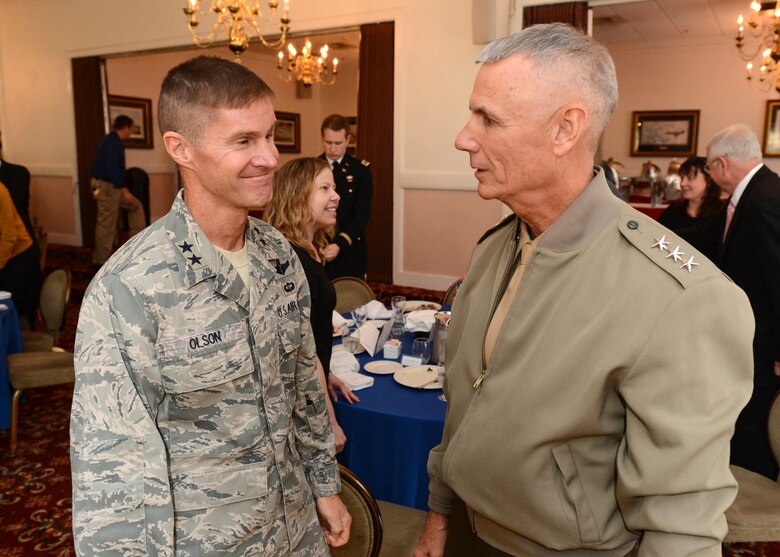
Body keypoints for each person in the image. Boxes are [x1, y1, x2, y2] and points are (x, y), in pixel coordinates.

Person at [413, 24, 754, 557]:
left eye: (489, 119)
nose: (464, 137)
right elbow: (464, 406)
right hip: (465, 535)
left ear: (566, 129)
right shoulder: (494, 248)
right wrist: (440, 517)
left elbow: (681, 523)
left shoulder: (680, 297)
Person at [70, 56, 350, 556]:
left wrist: (324, 484)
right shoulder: (129, 288)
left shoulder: (278, 255)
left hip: (298, 528)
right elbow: (111, 473)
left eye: (269, 136)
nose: (269, 157)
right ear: (181, 148)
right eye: (244, 141)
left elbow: (304, 379)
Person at [689, 124, 780, 480]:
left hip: (763, 343)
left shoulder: (764, 199)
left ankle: (751, 502)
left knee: (756, 430)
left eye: (709, 168)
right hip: (748, 337)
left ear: (723, 164)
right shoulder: (749, 196)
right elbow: (706, 238)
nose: (710, 176)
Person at [265, 156, 361, 452]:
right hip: (299, 402)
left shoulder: (308, 251)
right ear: (298, 196)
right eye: (324, 188)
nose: (336, 196)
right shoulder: (289, 261)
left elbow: (311, 331)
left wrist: (328, 371)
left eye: (334, 187)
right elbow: (300, 352)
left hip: (312, 383)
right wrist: (329, 423)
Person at [318, 114, 373, 280]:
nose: (333, 148)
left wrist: (339, 244)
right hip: (319, 246)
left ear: (348, 140)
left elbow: (361, 213)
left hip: (350, 247)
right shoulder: (313, 167)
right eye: (328, 143)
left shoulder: (360, 170)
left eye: (338, 143)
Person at [90, 114, 146, 266]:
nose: (131, 132)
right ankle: (101, 261)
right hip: (108, 186)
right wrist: (124, 190)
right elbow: (112, 168)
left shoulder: (110, 141)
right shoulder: (112, 143)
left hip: (107, 185)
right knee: (106, 224)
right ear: (126, 127)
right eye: (131, 129)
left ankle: (136, 247)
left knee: (136, 206)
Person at [0, 181, 41, 327]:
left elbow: (10, 235)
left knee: (16, 307)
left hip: (20, 257)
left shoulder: (0, 191)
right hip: (5, 255)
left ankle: (19, 344)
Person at [658, 156, 722, 231]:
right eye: (682, 178)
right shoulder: (672, 211)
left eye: (690, 178)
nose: (682, 183)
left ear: (709, 180)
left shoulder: (720, 213)